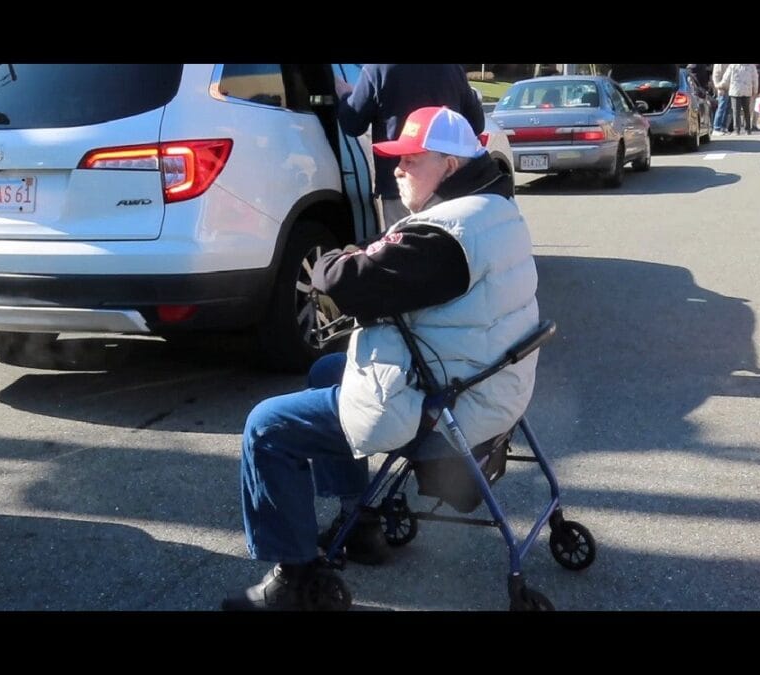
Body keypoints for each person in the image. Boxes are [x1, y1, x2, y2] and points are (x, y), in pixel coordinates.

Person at [221, 107, 539, 611]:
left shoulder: (442, 235)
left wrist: (332, 258)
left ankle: (296, 582)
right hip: (488, 385)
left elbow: (349, 283)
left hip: (451, 407)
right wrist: (372, 256)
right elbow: (397, 268)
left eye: (410, 160)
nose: (396, 169)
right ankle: (360, 518)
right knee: (328, 370)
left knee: (266, 427)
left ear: (449, 167)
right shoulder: (495, 209)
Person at [335, 64, 486, 231]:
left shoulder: (378, 69)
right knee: (446, 248)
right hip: (448, 182)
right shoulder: (453, 69)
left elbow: (352, 123)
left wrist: (347, 96)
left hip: (403, 186)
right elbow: (476, 124)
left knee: (404, 250)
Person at [720, 64, 758, 135]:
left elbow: (726, 78)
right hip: (746, 91)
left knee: (736, 111)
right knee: (747, 111)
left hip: (735, 91)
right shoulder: (751, 66)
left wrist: (720, 85)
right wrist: (755, 90)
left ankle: (737, 130)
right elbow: (755, 78)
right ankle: (748, 129)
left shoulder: (733, 65)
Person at [712, 63, 733, 134]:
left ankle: (723, 127)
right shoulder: (719, 65)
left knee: (728, 109)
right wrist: (719, 87)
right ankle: (716, 128)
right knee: (721, 108)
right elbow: (716, 76)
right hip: (722, 88)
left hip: (731, 88)